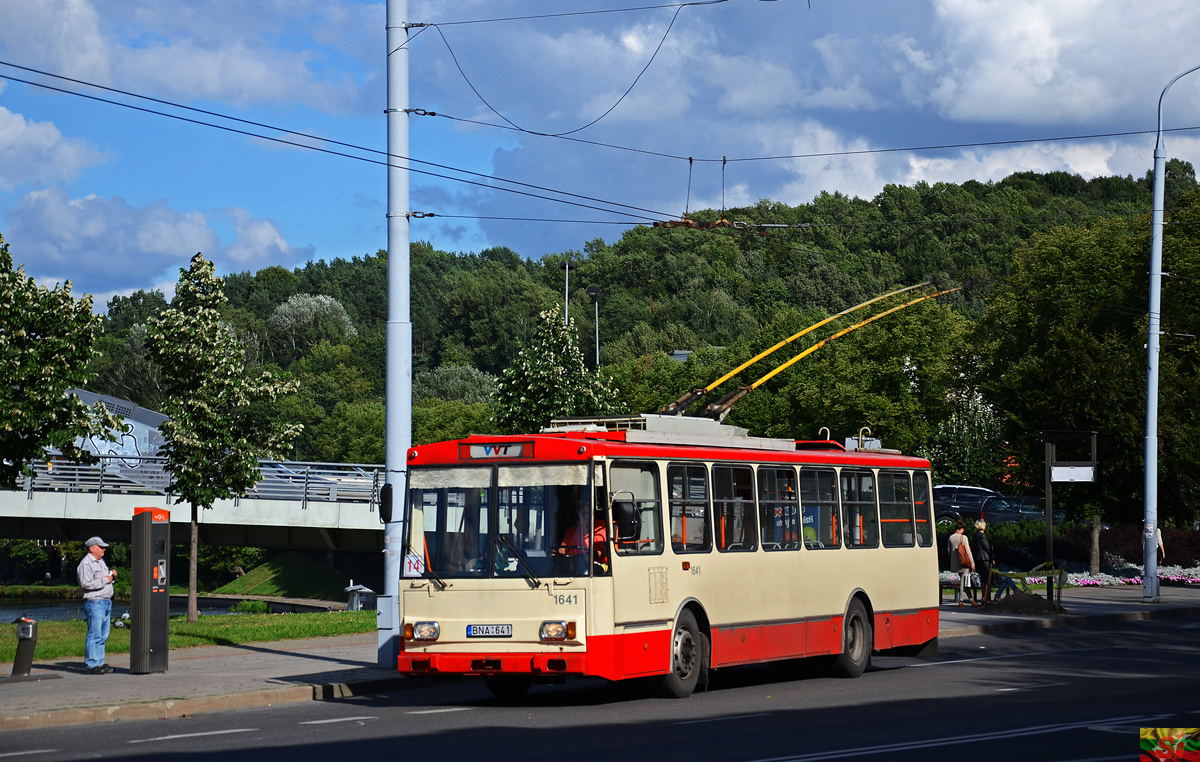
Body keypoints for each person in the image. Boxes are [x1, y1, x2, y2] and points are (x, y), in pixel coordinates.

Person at [78, 536, 117, 674]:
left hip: (106, 602)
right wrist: (106, 579)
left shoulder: (100, 562)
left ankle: (99, 662)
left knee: (103, 635)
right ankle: (92, 664)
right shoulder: (86, 564)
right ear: (92, 548)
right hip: (95, 602)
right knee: (94, 634)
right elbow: (86, 584)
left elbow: (105, 578)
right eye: (101, 547)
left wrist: (111, 575)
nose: (103, 549)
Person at [947, 520, 978, 607]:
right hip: (964, 562)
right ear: (960, 529)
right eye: (963, 530)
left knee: (964, 581)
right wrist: (972, 563)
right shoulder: (963, 538)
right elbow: (968, 552)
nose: (963, 531)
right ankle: (961, 601)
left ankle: (972, 601)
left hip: (955, 563)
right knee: (963, 582)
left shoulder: (950, 538)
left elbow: (949, 551)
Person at [970, 519, 994, 607]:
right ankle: (986, 598)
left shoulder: (975, 536)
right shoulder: (982, 536)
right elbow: (987, 548)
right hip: (984, 559)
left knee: (983, 579)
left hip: (978, 559)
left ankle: (984, 597)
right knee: (988, 580)